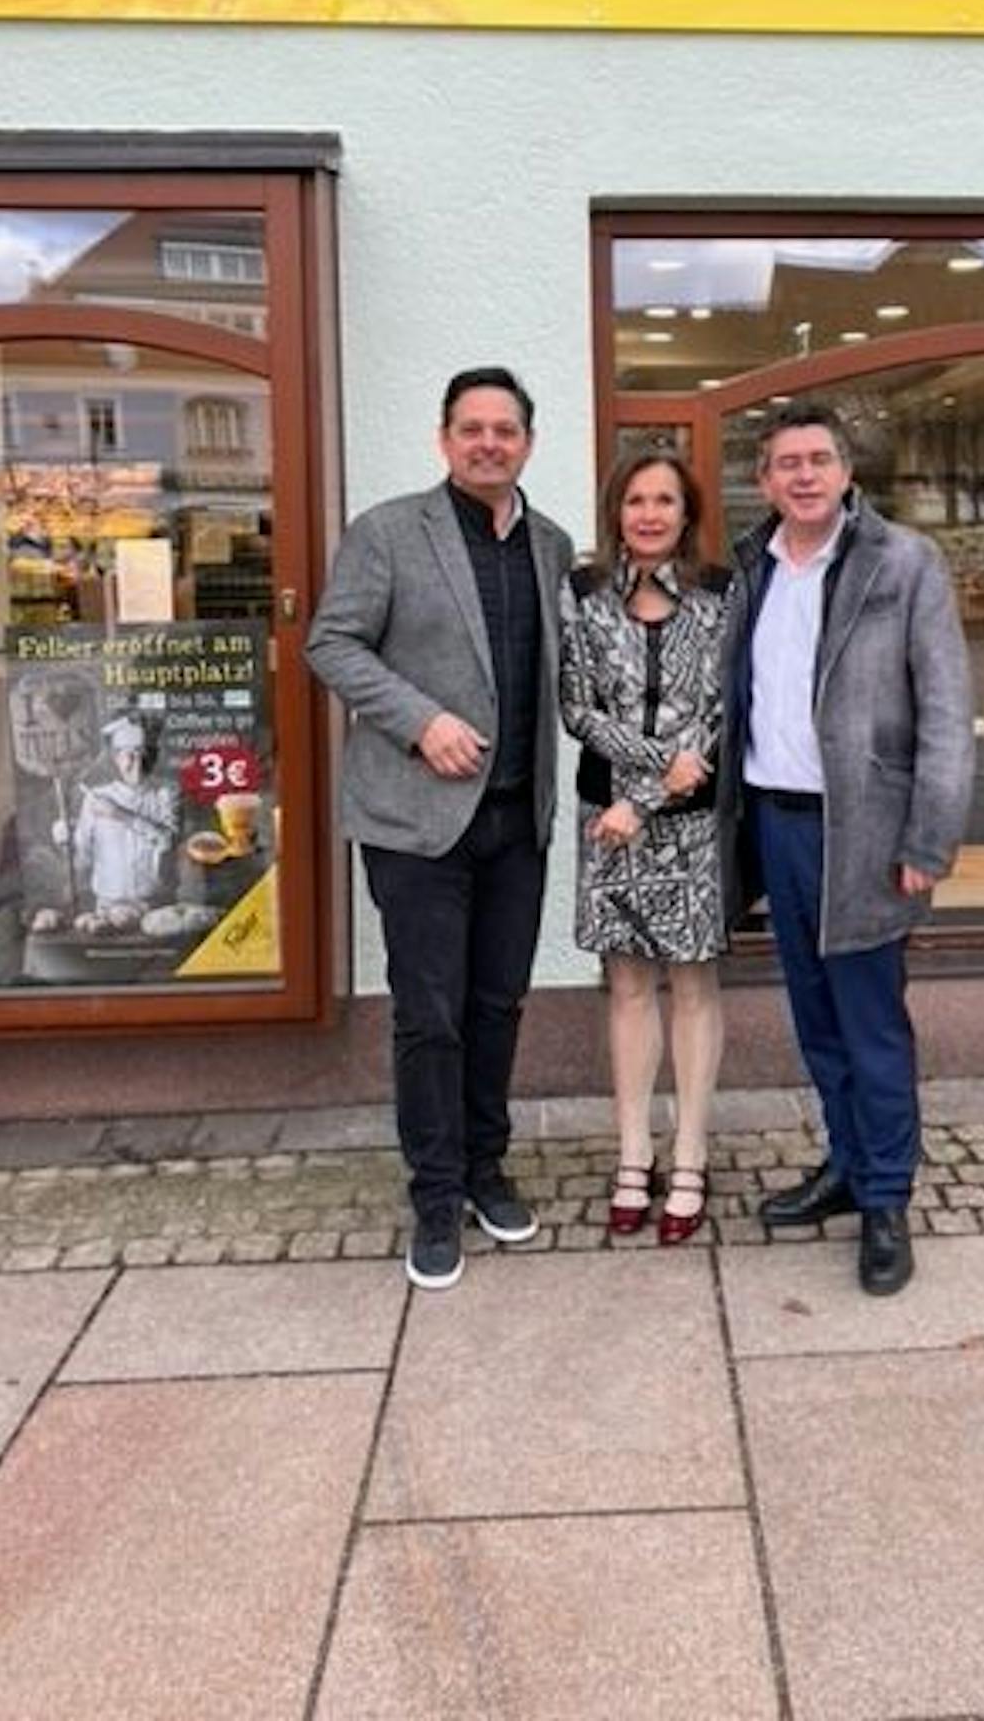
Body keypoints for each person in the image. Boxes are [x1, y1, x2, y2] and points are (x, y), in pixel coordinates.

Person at [305, 368, 574, 1293]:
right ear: (444, 439)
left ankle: (488, 1166)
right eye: (472, 428)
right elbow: (330, 643)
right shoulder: (388, 532)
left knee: (498, 1006)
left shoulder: (550, 543)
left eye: (505, 429)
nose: (488, 442)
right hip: (417, 824)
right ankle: (434, 1192)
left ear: (528, 443)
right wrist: (420, 719)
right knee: (429, 1016)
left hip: (515, 820)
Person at [721, 401, 973, 1297]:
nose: (802, 475)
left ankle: (886, 1199)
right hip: (776, 824)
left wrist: (928, 838)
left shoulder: (903, 563)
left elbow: (946, 713)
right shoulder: (750, 567)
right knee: (817, 1021)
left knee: (872, 1025)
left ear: (846, 470)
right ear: (763, 479)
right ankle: (844, 1162)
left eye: (818, 459)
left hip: (865, 831)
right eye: (785, 462)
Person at [560, 447, 729, 1246]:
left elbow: (724, 710)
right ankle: (634, 1151)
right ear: (616, 511)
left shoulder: (721, 594)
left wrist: (655, 795)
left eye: (666, 499)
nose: (651, 513)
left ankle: (689, 1153)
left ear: (688, 512)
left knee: (692, 985)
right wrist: (645, 781)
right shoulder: (585, 592)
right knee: (628, 987)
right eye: (636, 500)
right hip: (609, 821)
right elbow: (577, 707)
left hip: (692, 821)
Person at [60, 715, 179, 931]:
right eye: (129, 754)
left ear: (154, 756)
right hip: (106, 909)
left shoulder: (166, 793)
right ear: (116, 758)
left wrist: (120, 814)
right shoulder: (95, 798)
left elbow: (168, 840)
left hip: (157, 907)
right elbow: (82, 856)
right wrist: (66, 840)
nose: (138, 762)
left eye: (144, 753)